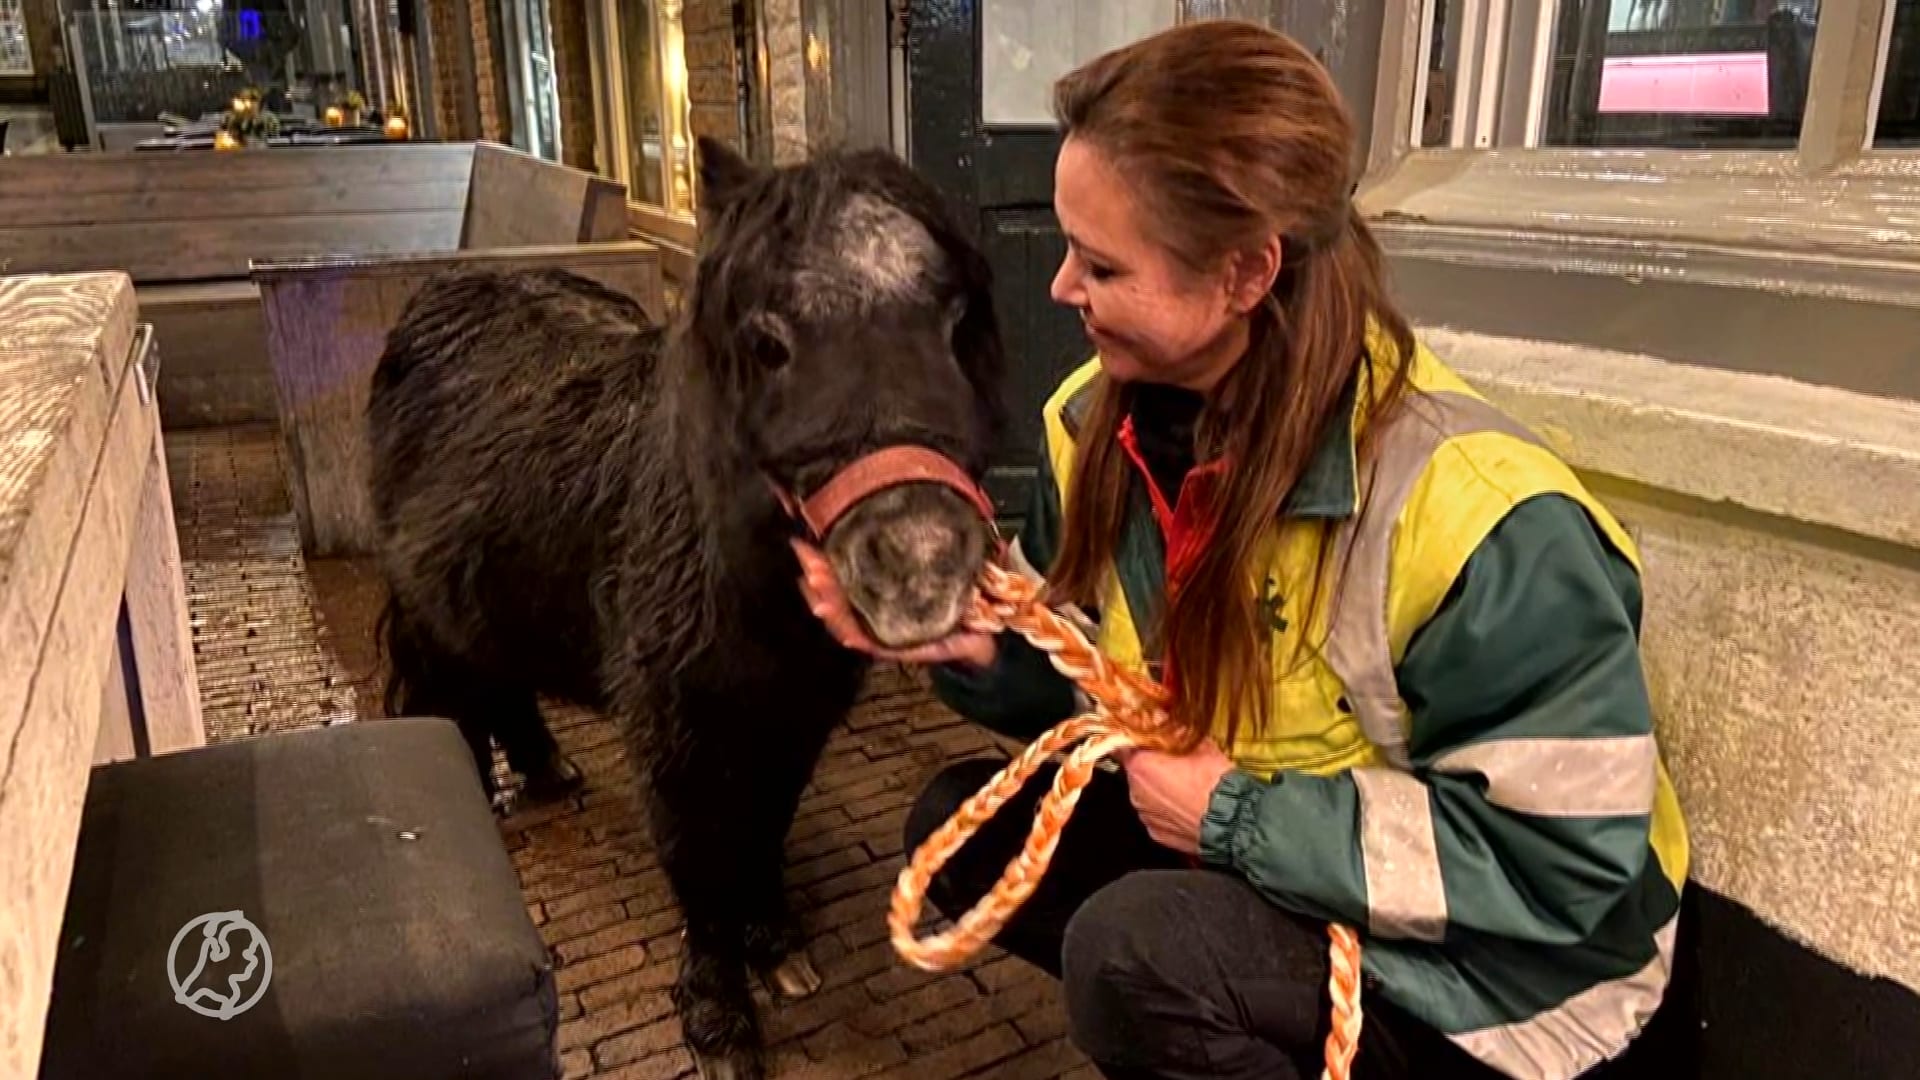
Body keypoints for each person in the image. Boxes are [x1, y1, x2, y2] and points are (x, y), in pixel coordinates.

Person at [792, 20, 1693, 1080]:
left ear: (1244, 273)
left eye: (1102, 264)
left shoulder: (1481, 514)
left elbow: (1562, 867)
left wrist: (1233, 819)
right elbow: (1086, 676)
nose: (1060, 289)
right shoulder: (1094, 425)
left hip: (1507, 981)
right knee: (964, 828)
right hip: (1277, 854)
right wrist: (982, 657)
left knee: (1137, 958)